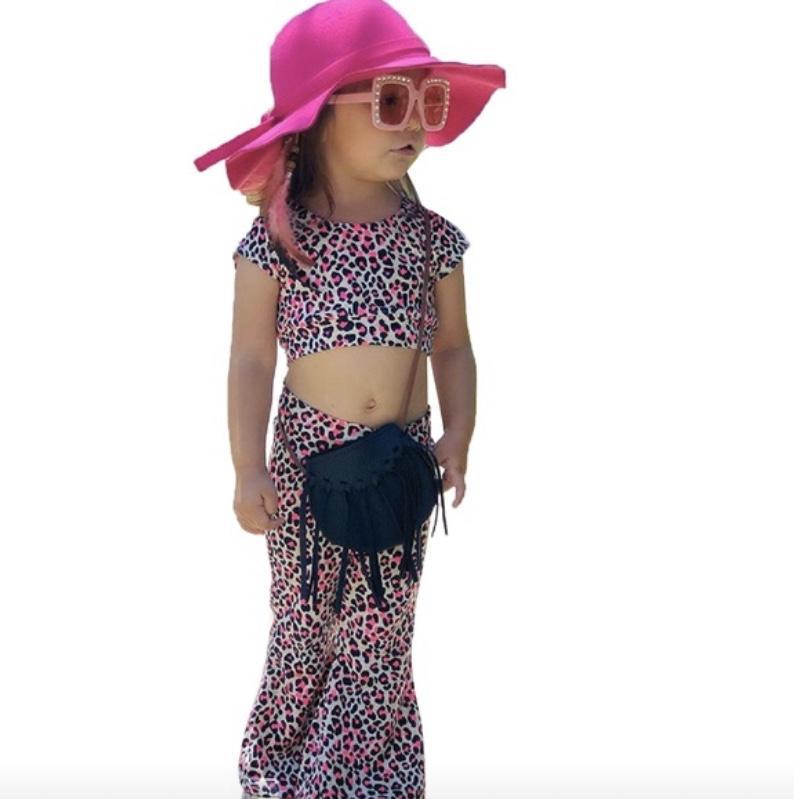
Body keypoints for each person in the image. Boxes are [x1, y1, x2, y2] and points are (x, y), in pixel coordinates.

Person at [193, 1, 506, 796]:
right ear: (318, 117)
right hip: (303, 464)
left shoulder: (431, 237)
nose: (417, 121)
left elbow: (453, 346)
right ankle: (285, 774)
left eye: (428, 100)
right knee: (304, 623)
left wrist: (460, 434)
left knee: (380, 630)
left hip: (401, 466)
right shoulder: (278, 239)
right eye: (392, 100)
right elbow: (251, 359)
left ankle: (371, 780)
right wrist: (246, 467)